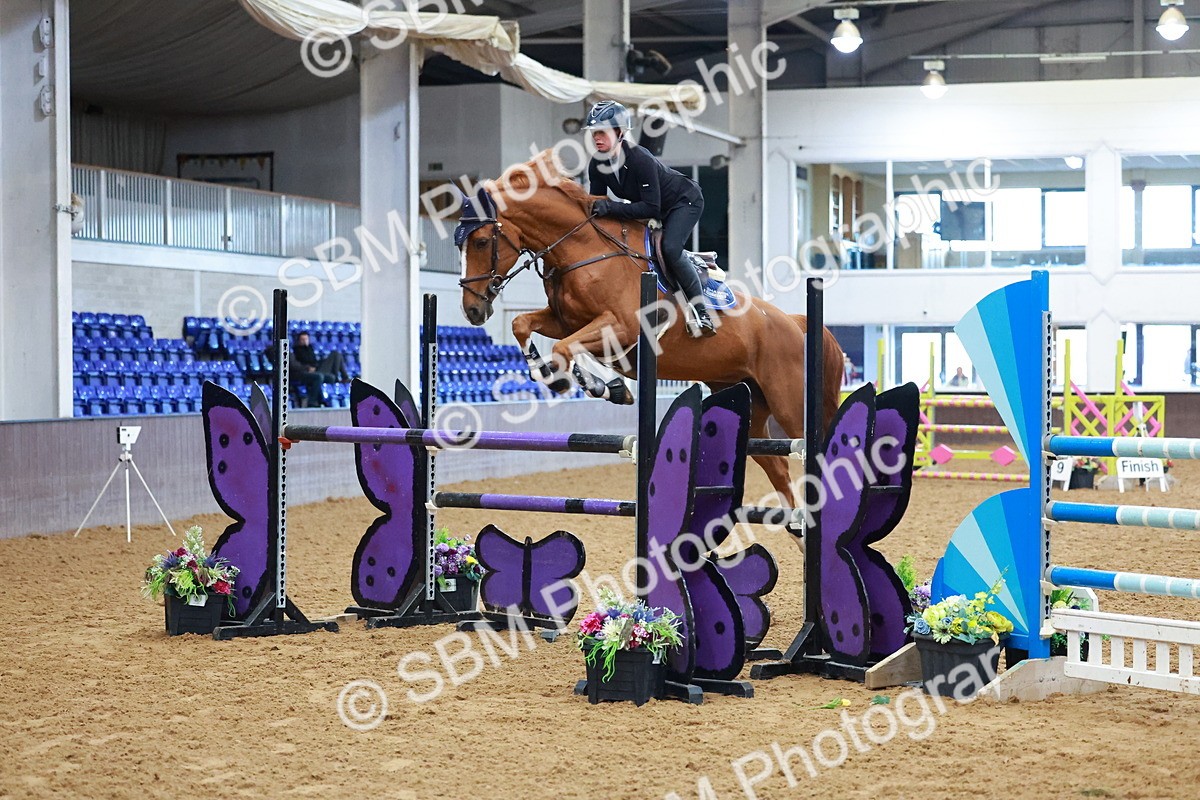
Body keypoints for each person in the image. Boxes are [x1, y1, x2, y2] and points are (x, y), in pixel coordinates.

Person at [583, 100, 715, 338]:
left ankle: (701, 310)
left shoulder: (639, 158)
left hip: (683, 202)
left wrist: (611, 207)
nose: (596, 138)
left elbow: (650, 209)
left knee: (670, 247)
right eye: (594, 133)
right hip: (650, 207)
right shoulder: (597, 163)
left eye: (601, 132)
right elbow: (597, 205)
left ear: (620, 132)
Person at [289, 331, 348, 407]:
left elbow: (314, 361)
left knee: (335, 359)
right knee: (319, 377)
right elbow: (296, 365)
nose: (305, 341)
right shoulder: (295, 350)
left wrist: (317, 365)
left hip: (316, 368)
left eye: (306, 339)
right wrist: (308, 368)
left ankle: (340, 378)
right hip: (304, 372)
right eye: (302, 339)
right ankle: (312, 401)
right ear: (299, 341)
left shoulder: (310, 348)